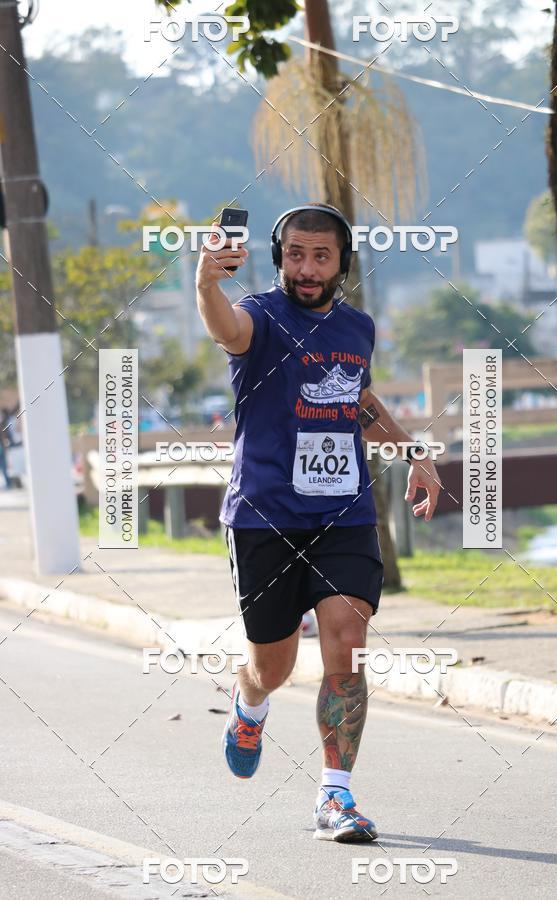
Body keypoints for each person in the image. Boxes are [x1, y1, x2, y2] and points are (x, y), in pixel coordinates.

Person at [195, 203, 441, 842]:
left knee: (346, 641)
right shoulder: (259, 318)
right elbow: (226, 331)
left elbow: (356, 398)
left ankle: (336, 796)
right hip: (265, 519)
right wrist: (204, 285)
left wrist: (412, 451)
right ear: (279, 256)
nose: (306, 269)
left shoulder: (357, 327)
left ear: (341, 263)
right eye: (296, 254)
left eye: (321, 257)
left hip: (344, 514)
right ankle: (249, 704)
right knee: (270, 665)